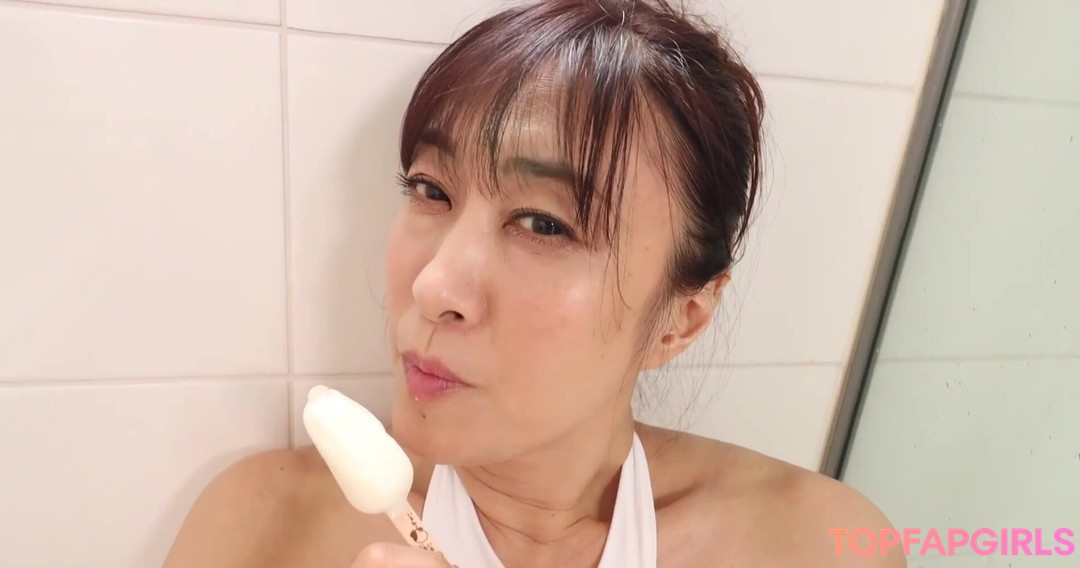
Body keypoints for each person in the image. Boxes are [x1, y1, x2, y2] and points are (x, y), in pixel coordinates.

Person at [162, 0, 904, 566]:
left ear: (680, 320)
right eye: (430, 189)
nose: (434, 286)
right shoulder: (265, 528)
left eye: (545, 224)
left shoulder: (818, 544)